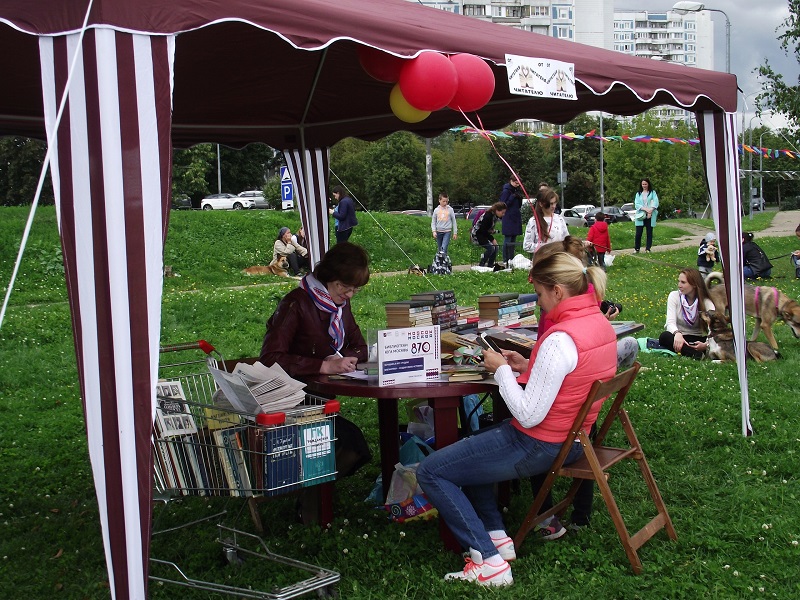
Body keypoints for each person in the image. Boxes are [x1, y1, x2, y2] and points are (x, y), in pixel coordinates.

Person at [416, 253, 617, 587]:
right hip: (575, 440)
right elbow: (572, 378)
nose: (538, 303)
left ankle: (489, 563)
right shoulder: (598, 323)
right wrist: (527, 366)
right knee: (473, 449)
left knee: (432, 471)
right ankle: (496, 537)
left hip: (540, 444)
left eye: (539, 294)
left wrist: (502, 371)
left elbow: (527, 413)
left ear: (557, 291)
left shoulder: (560, 339)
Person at [259, 242, 373, 514]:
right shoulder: (295, 303)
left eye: (355, 289)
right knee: (346, 442)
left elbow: (359, 346)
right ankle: (311, 505)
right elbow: (270, 358)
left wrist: (348, 358)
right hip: (290, 400)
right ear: (328, 277)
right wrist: (323, 365)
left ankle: (312, 497)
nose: (349, 294)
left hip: (319, 399)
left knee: (355, 446)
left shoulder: (341, 305)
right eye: (344, 287)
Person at [658, 268, 714, 359]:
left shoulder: (706, 302)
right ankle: (696, 355)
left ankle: (695, 352)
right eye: (679, 281)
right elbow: (670, 323)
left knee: (718, 340)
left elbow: (713, 327)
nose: (679, 285)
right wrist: (677, 333)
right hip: (679, 337)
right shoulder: (674, 296)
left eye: (683, 282)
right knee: (664, 336)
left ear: (694, 284)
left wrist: (706, 344)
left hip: (698, 339)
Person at [522, 187, 568, 254]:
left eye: (555, 203)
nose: (554, 206)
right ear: (541, 204)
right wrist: (545, 248)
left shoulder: (559, 219)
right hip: (542, 258)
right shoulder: (533, 221)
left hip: (558, 257)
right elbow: (527, 246)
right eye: (551, 204)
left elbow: (566, 240)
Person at [471, 201, 507, 268]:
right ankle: (481, 264)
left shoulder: (494, 216)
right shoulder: (488, 216)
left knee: (496, 247)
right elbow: (483, 230)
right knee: (491, 248)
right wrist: (492, 239)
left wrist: (492, 231)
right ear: (497, 211)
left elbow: (487, 229)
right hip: (478, 235)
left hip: (484, 234)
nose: (503, 214)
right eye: (502, 213)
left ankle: (490, 265)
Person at [499, 176, 523, 263]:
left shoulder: (515, 191)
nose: (517, 185)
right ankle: (505, 259)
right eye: (516, 183)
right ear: (511, 181)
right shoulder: (506, 191)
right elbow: (503, 205)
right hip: (508, 218)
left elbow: (519, 205)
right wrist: (512, 197)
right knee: (508, 239)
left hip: (515, 217)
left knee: (513, 240)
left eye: (518, 184)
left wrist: (519, 198)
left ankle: (511, 259)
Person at [633, 178, 659, 253]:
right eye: (643, 184)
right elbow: (637, 204)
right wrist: (646, 209)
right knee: (638, 233)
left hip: (650, 214)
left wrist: (650, 211)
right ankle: (637, 248)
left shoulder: (652, 193)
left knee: (649, 232)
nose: (644, 186)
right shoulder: (638, 194)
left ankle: (648, 248)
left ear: (648, 184)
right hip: (641, 215)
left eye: (645, 184)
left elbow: (655, 202)